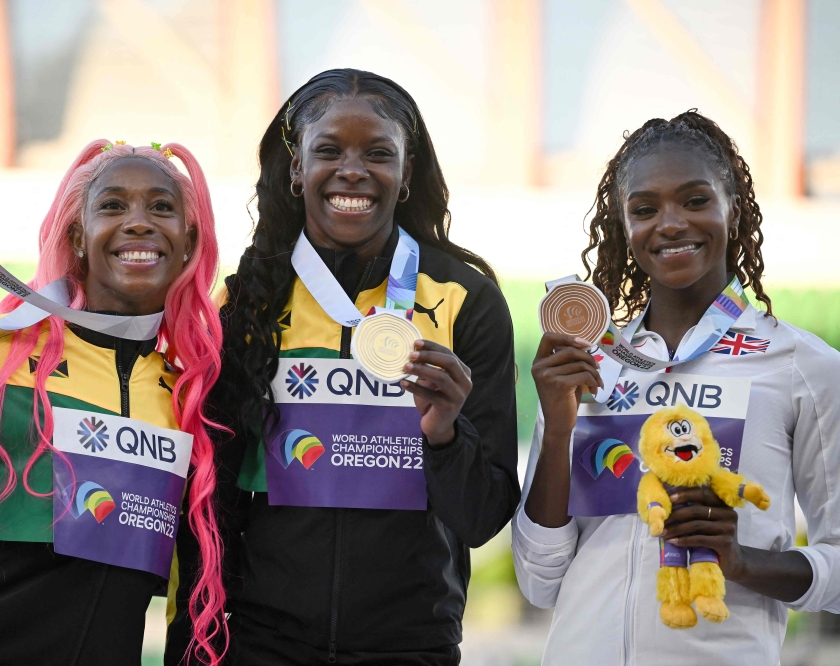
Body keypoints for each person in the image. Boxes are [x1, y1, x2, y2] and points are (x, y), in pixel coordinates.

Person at [168, 68, 520, 666]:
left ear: (407, 172)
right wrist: (191, 645)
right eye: (328, 150)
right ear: (296, 167)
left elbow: (483, 517)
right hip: (260, 642)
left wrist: (443, 436)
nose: (352, 170)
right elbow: (208, 499)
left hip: (410, 643)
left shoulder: (467, 300)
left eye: (378, 154)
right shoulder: (247, 301)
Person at [0, 140, 228, 665]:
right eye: (113, 205)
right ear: (78, 236)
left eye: (161, 207)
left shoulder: (192, 399)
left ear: (189, 240)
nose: (139, 222)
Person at [513, 111, 840, 665]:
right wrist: (558, 428)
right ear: (624, 227)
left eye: (694, 201)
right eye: (644, 209)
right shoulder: (589, 366)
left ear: (732, 209)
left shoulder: (800, 365)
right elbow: (540, 581)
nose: (669, 224)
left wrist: (741, 562)